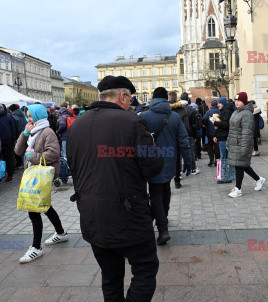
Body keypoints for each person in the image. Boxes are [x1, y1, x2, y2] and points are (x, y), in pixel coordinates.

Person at [67, 75, 164, 301]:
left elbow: (73, 164)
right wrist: (152, 145)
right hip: (128, 213)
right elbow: (152, 167)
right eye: (130, 98)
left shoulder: (77, 125)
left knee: (110, 276)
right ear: (123, 96)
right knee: (145, 268)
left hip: (91, 213)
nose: (130, 103)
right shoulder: (132, 122)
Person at [15, 104, 68, 263]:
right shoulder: (31, 131)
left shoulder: (47, 131)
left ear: (38, 116)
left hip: (43, 174)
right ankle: (61, 233)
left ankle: (36, 248)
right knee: (43, 205)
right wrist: (24, 133)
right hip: (33, 174)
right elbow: (18, 151)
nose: (29, 119)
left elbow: (53, 153)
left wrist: (31, 155)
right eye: (28, 116)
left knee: (33, 208)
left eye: (31, 116)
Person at [140, 87, 192, 245]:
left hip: (151, 161)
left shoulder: (144, 116)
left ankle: (163, 229)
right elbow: (184, 141)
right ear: (165, 99)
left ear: (153, 98)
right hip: (170, 160)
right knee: (165, 189)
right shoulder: (174, 116)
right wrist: (188, 162)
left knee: (155, 193)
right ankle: (163, 218)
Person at [227, 92, 265, 198]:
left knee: (239, 165)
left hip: (242, 144)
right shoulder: (236, 112)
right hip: (235, 143)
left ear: (244, 102)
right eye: (235, 101)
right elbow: (232, 129)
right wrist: (229, 141)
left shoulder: (247, 114)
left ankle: (238, 189)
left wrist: (244, 147)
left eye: (239, 101)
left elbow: (247, 133)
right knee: (243, 165)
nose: (237, 103)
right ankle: (258, 179)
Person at [0, 104, 17, 183]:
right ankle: (10, 175)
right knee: (9, 158)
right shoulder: (8, 117)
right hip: (8, 141)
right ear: (2, 109)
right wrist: (13, 139)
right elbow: (13, 129)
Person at [213, 97, 236, 184]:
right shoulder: (226, 110)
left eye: (219, 103)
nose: (217, 105)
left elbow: (225, 125)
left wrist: (215, 122)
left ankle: (226, 178)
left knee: (224, 158)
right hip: (222, 136)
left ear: (223, 103)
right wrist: (215, 134)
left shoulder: (226, 111)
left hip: (224, 137)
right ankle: (230, 176)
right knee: (226, 157)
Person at [180, 93, 200, 175]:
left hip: (178, 134)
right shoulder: (191, 110)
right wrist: (195, 136)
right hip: (189, 134)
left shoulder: (175, 109)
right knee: (190, 152)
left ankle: (179, 171)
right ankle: (193, 169)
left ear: (180, 99)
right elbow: (194, 125)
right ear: (188, 99)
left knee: (179, 154)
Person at [202, 99, 222, 166]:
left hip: (209, 132)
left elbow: (204, 120)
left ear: (211, 105)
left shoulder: (208, 112)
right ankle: (217, 161)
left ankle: (211, 160)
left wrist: (205, 125)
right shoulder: (220, 111)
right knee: (217, 147)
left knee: (210, 147)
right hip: (218, 132)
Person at [8, 104, 26, 168]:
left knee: (20, 149)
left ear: (11, 110)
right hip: (25, 133)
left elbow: (15, 128)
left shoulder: (14, 117)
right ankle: (24, 163)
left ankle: (22, 164)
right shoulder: (23, 115)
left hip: (19, 135)